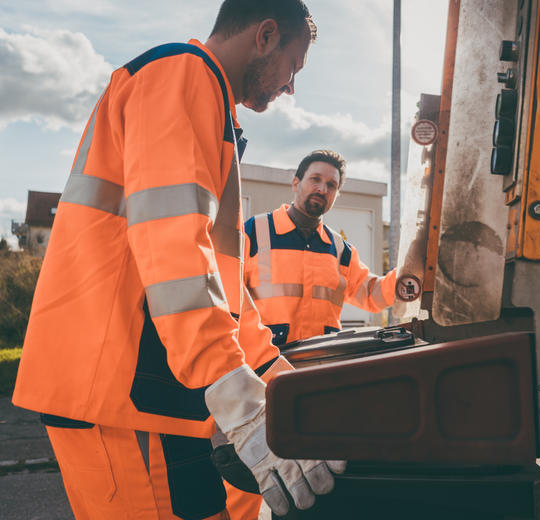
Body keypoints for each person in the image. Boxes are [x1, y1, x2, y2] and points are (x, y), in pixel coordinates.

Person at [12, 1, 343, 518]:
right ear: (265, 36)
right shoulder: (181, 77)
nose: (290, 86)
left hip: (151, 392)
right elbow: (173, 251)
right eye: (293, 66)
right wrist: (236, 397)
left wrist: (275, 380)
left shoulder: (205, 102)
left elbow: (220, 284)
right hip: (120, 390)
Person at [228, 150, 397, 518]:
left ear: (336, 195)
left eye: (331, 184)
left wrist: (410, 276)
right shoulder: (252, 234)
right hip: (261, 381)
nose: (322, 188)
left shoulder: (339, 249)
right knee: (247, 483)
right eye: (315, 179)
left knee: (314, 482)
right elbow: (226, 299)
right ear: (296, 183)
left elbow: (373, 294)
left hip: (317, 385)